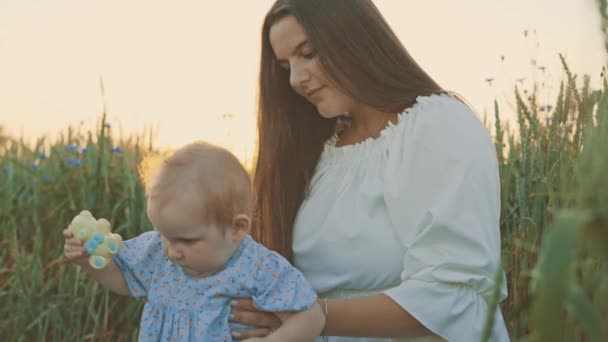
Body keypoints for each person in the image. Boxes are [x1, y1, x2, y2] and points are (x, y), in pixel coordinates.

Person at [228, 0, 510, 341]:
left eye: (310, 53)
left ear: (355, 39)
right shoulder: (316, 153)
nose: (296, 79)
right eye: (285, 65)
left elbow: (457, 295)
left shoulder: (437, 126)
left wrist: (310, 315)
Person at [63, 142, 326, 341]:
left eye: (185, 241)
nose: (170, 252)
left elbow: (311, 316)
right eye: (163, 235)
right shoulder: (157, 252)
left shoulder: (257, 266)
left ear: (236, 228)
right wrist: (91, 263)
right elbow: (124, 280)